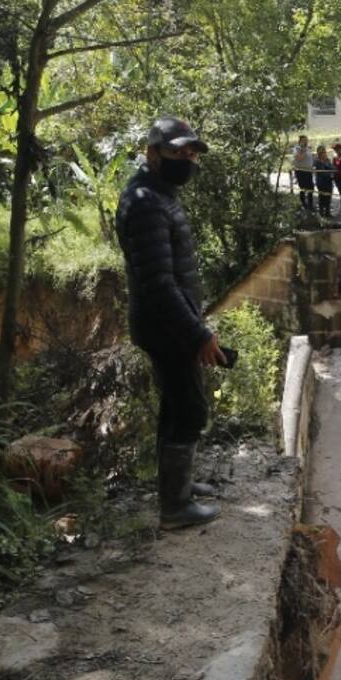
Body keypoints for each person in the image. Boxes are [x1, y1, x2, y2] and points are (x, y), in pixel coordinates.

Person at [114, 116, 223, 531]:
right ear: (152, 153)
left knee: (174, 407)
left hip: (169, 323)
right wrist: (197, 333)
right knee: (191, 411)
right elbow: (159, 283)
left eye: (192, 152)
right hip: (167, 326)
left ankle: (177, 486)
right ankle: (175, 509)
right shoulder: (145, 202)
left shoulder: (159, 195)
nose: (187, 158)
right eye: (178, 151)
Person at [291, 134, 315, 212]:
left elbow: (310, 158)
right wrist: (303, 150)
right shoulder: (297, 148)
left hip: (309, 171)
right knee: (303, 188)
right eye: (304, 140)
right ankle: (303, 204)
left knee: (311, 188)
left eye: (306, 140)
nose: (306, 142)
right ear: (300, 141)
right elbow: (299, 158)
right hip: (301, 171)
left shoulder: (308, 148)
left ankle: (310, 205)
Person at [313, 145, 335, 221]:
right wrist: (330, 173)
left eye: (324, 152)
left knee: (328, 197)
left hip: (329, 182)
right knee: (322, 198)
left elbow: (333, 168)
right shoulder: (317, 162)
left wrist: (330, 170)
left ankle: (328, 212)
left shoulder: (328, 160)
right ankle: (321, 213)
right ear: (319, 153)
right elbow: (322, 173)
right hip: (321, 182)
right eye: (322, 152)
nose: (324, 153)